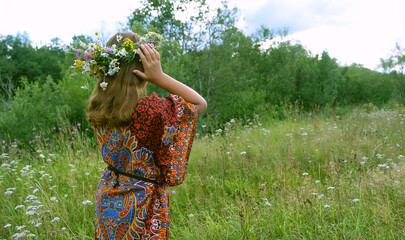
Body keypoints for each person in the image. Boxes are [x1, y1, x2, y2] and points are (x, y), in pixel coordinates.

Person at [85, 31, 207, 239]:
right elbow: (199, 104)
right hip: (143, 202)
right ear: (141, 69)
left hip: (108, 197)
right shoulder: (150, 110)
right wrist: (159, 77)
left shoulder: (99, 106)